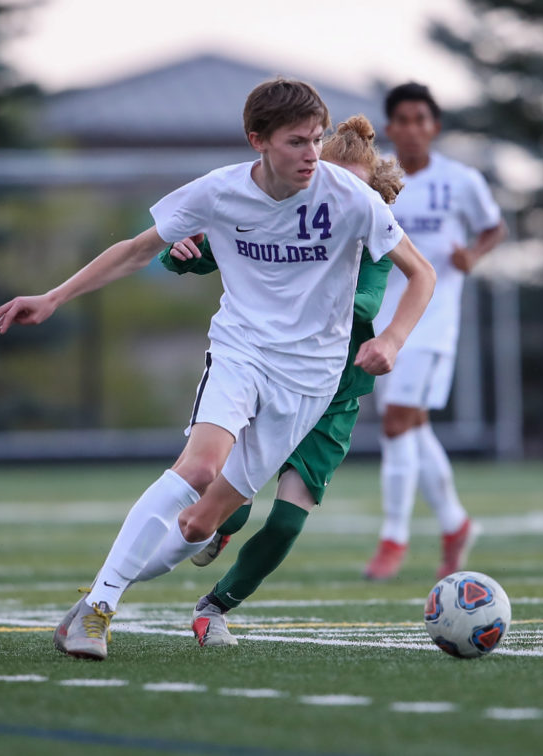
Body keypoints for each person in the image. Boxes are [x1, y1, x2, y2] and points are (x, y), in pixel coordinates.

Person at [0, 78, 435, 661]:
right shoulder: (218, 192)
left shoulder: (352, 200)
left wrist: (394, 341)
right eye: (298, 142)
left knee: (200, 526)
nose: (311, 154)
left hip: (312, 381)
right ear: (258, 141)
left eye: (316, 139)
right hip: (241, 352)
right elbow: (137, 249)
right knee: (198, 468)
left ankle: (99, 591)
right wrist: (53, 296)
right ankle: (99, 608)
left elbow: (421, 273)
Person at [159, 115, 403, 647]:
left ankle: (215, 607)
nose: (331, 196)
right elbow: (206, 253)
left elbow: (367, 300)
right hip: (271, 376)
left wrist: (380, 334)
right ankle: (212, 531)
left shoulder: (371, 235)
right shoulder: (283, 218)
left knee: (288, 522)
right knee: (231, 501)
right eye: (324, 178)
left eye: (350, 185)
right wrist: (178, 255)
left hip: (332, 397)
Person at [363, 82, 507, 582]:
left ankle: (394, 537)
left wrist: (475, 254)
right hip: (382, 320)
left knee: (397, 422)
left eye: (420, 118)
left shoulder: (460, 179)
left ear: (434, 126)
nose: (410, 128)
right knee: (412, 425)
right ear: (389, 128)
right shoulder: (375, 178)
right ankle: (455, 524)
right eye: (400, 119)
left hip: (433, 322)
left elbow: (494, 227)